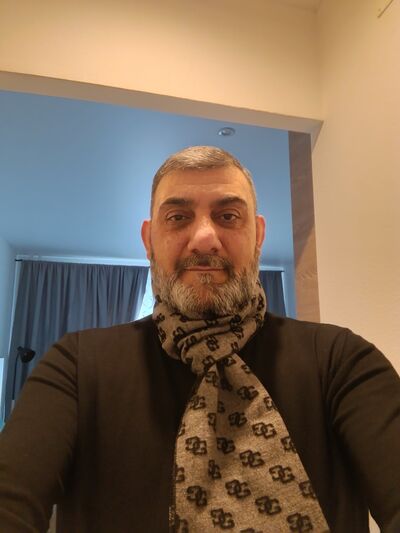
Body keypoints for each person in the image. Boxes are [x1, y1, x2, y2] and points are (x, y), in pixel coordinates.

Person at [0, 146, 399, 533]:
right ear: (148, 240)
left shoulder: (341, 361)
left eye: (228, 216)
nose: (205, 238)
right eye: (177, 217)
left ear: (258, 235)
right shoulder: (75, 366)